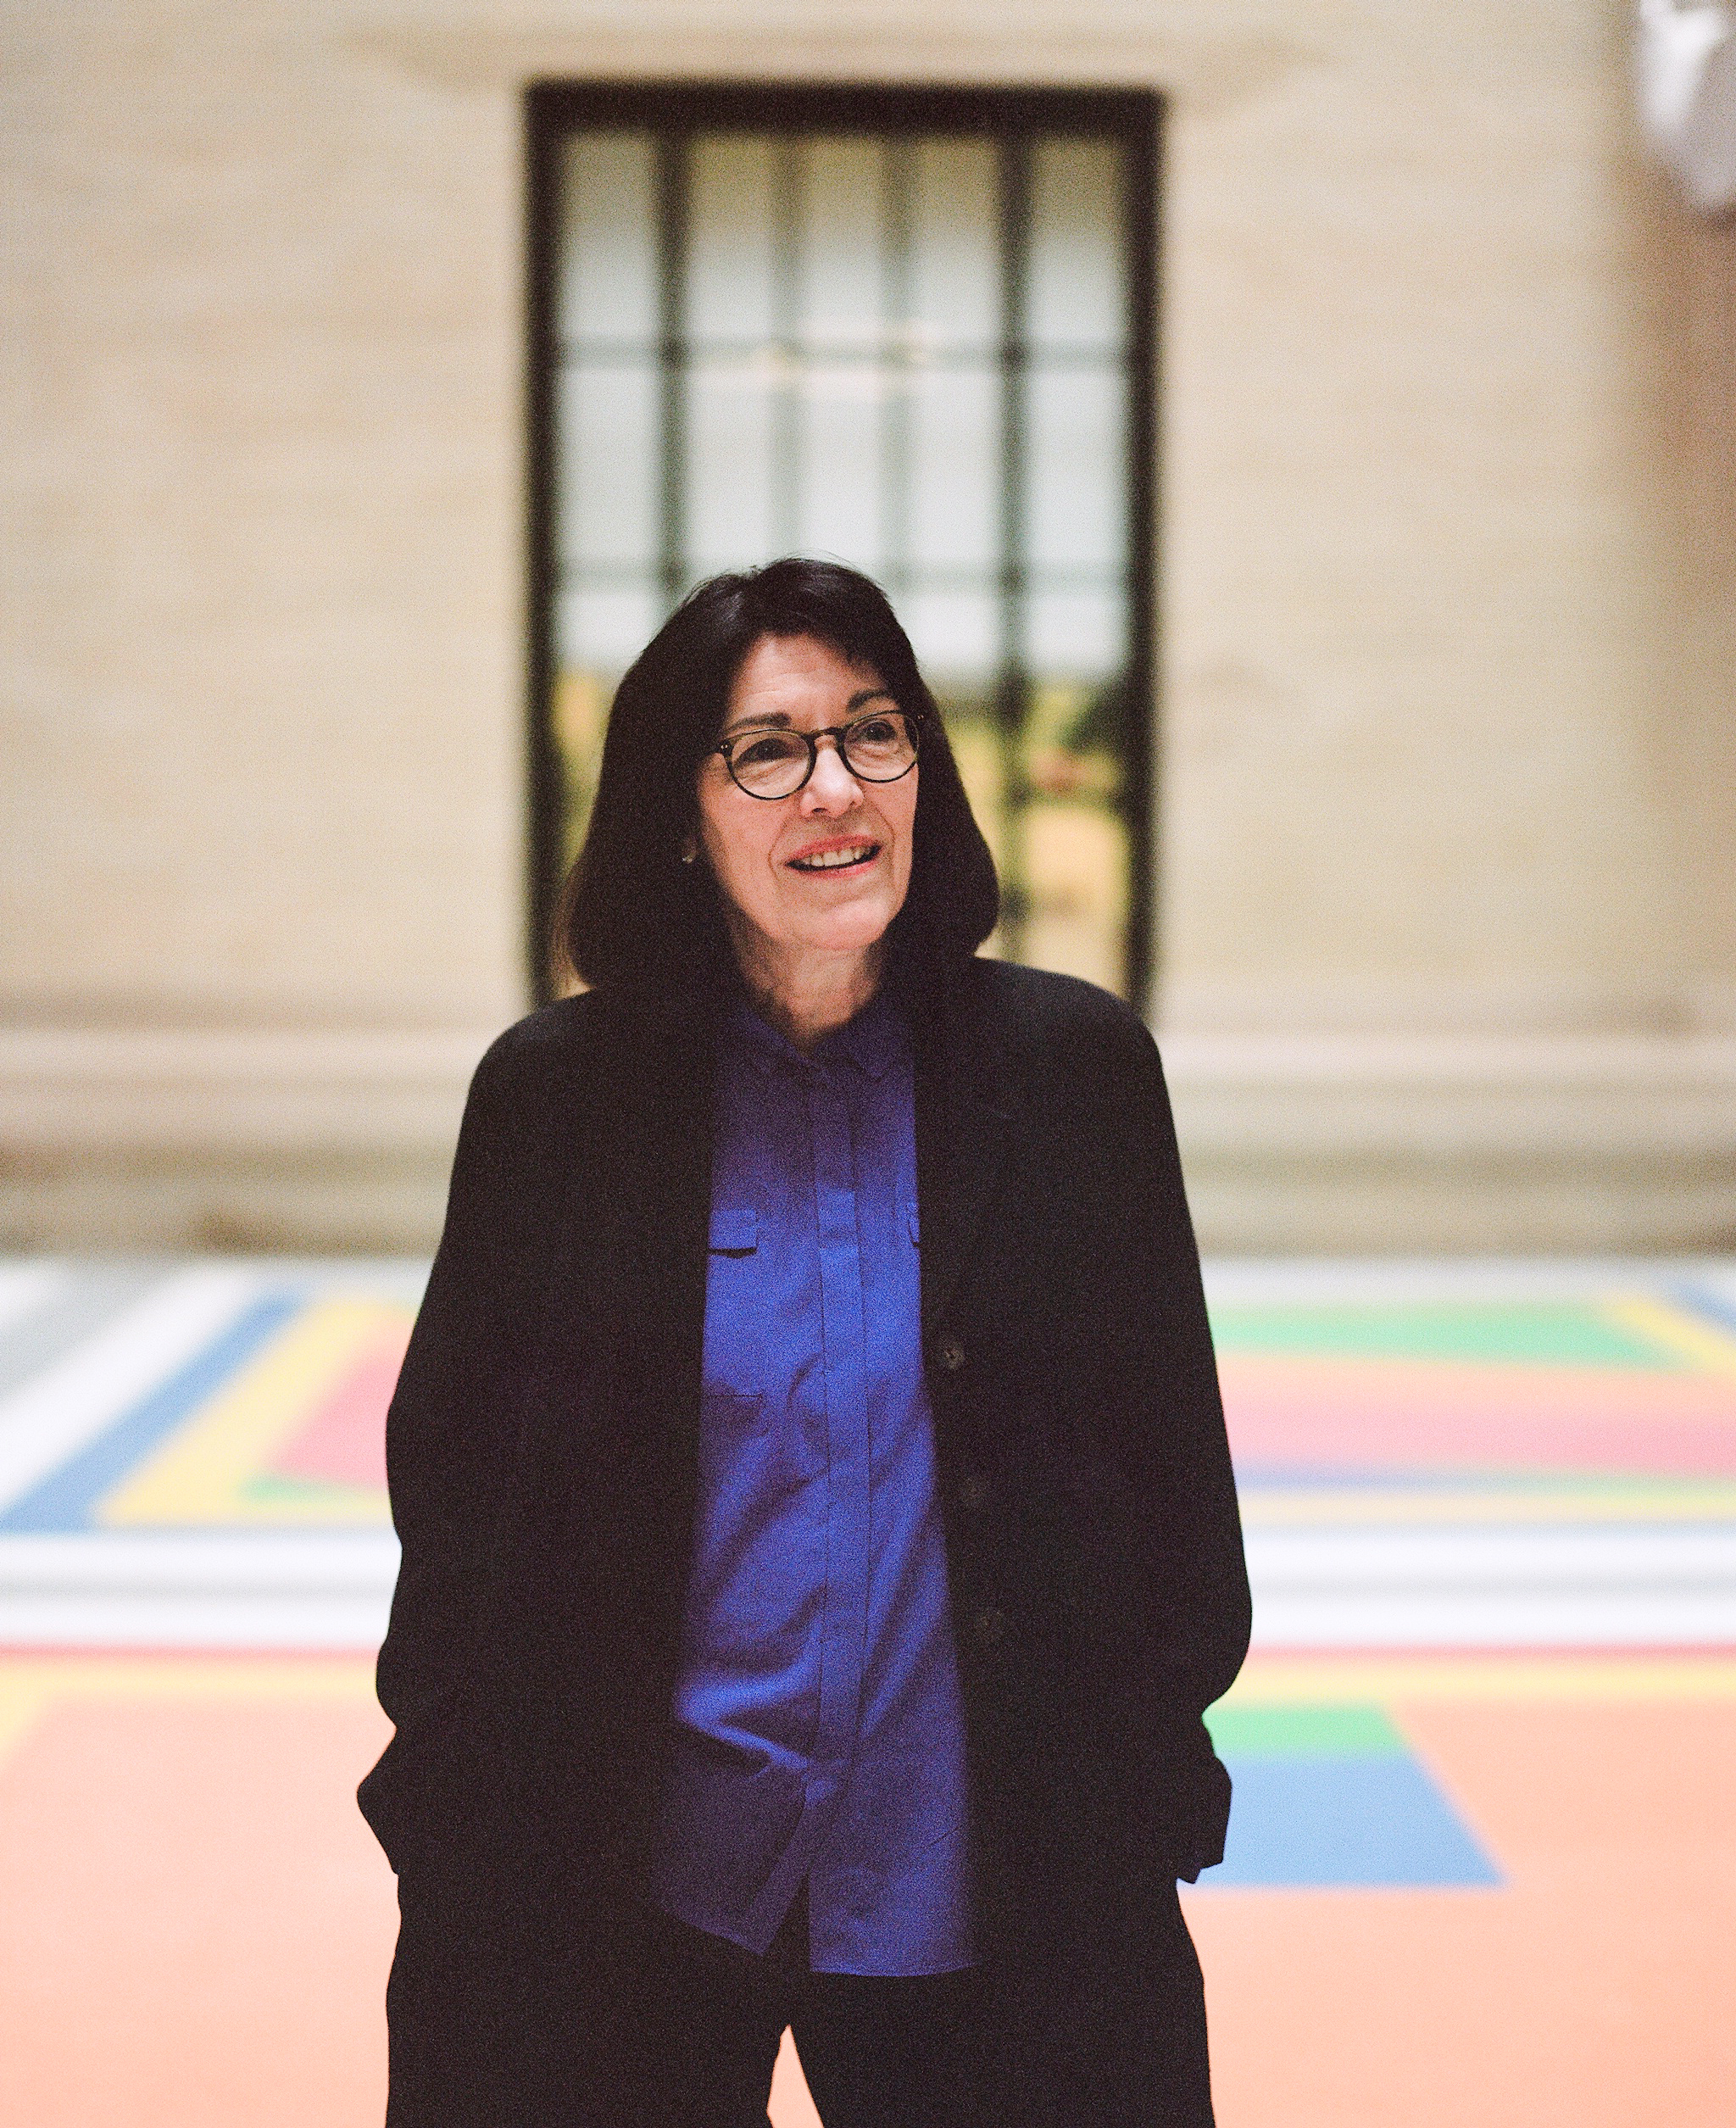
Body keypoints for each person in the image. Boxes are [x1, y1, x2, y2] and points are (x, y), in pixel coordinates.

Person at [359, 558, 1250, 2128]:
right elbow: (455, 1497)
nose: (834, 786)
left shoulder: (1074, 1079)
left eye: (874, 731)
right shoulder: (556, 1102)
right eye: (768, 748)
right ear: (681, 814)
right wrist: (461, 1806)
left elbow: (1175, 1480)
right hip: (622, 1909)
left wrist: (1125, 1761)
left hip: (992, 1909)